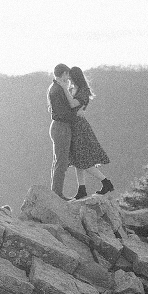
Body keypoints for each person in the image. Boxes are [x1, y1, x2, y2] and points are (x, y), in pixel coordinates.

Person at [66, 66, 114, 199]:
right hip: (73, 126)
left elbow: (73, 104)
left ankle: (106, 182)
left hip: (80, 128)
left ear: (75, 77)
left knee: (83, 161)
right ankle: (81, 189)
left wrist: (64, 89)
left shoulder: (83, 91)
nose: (69, 79)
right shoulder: (72, 89)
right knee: (77, 160)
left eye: (70, 77)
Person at [47, 63, 75, 198]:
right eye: (67, 75)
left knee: (59, 161)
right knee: (61, 162)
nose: (68, 78)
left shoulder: (54, 88)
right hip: (61, 127)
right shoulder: (58, 90)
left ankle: (56, 192)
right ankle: (57, 194)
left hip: (58, 126)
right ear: (64, 74)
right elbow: (63, 112)